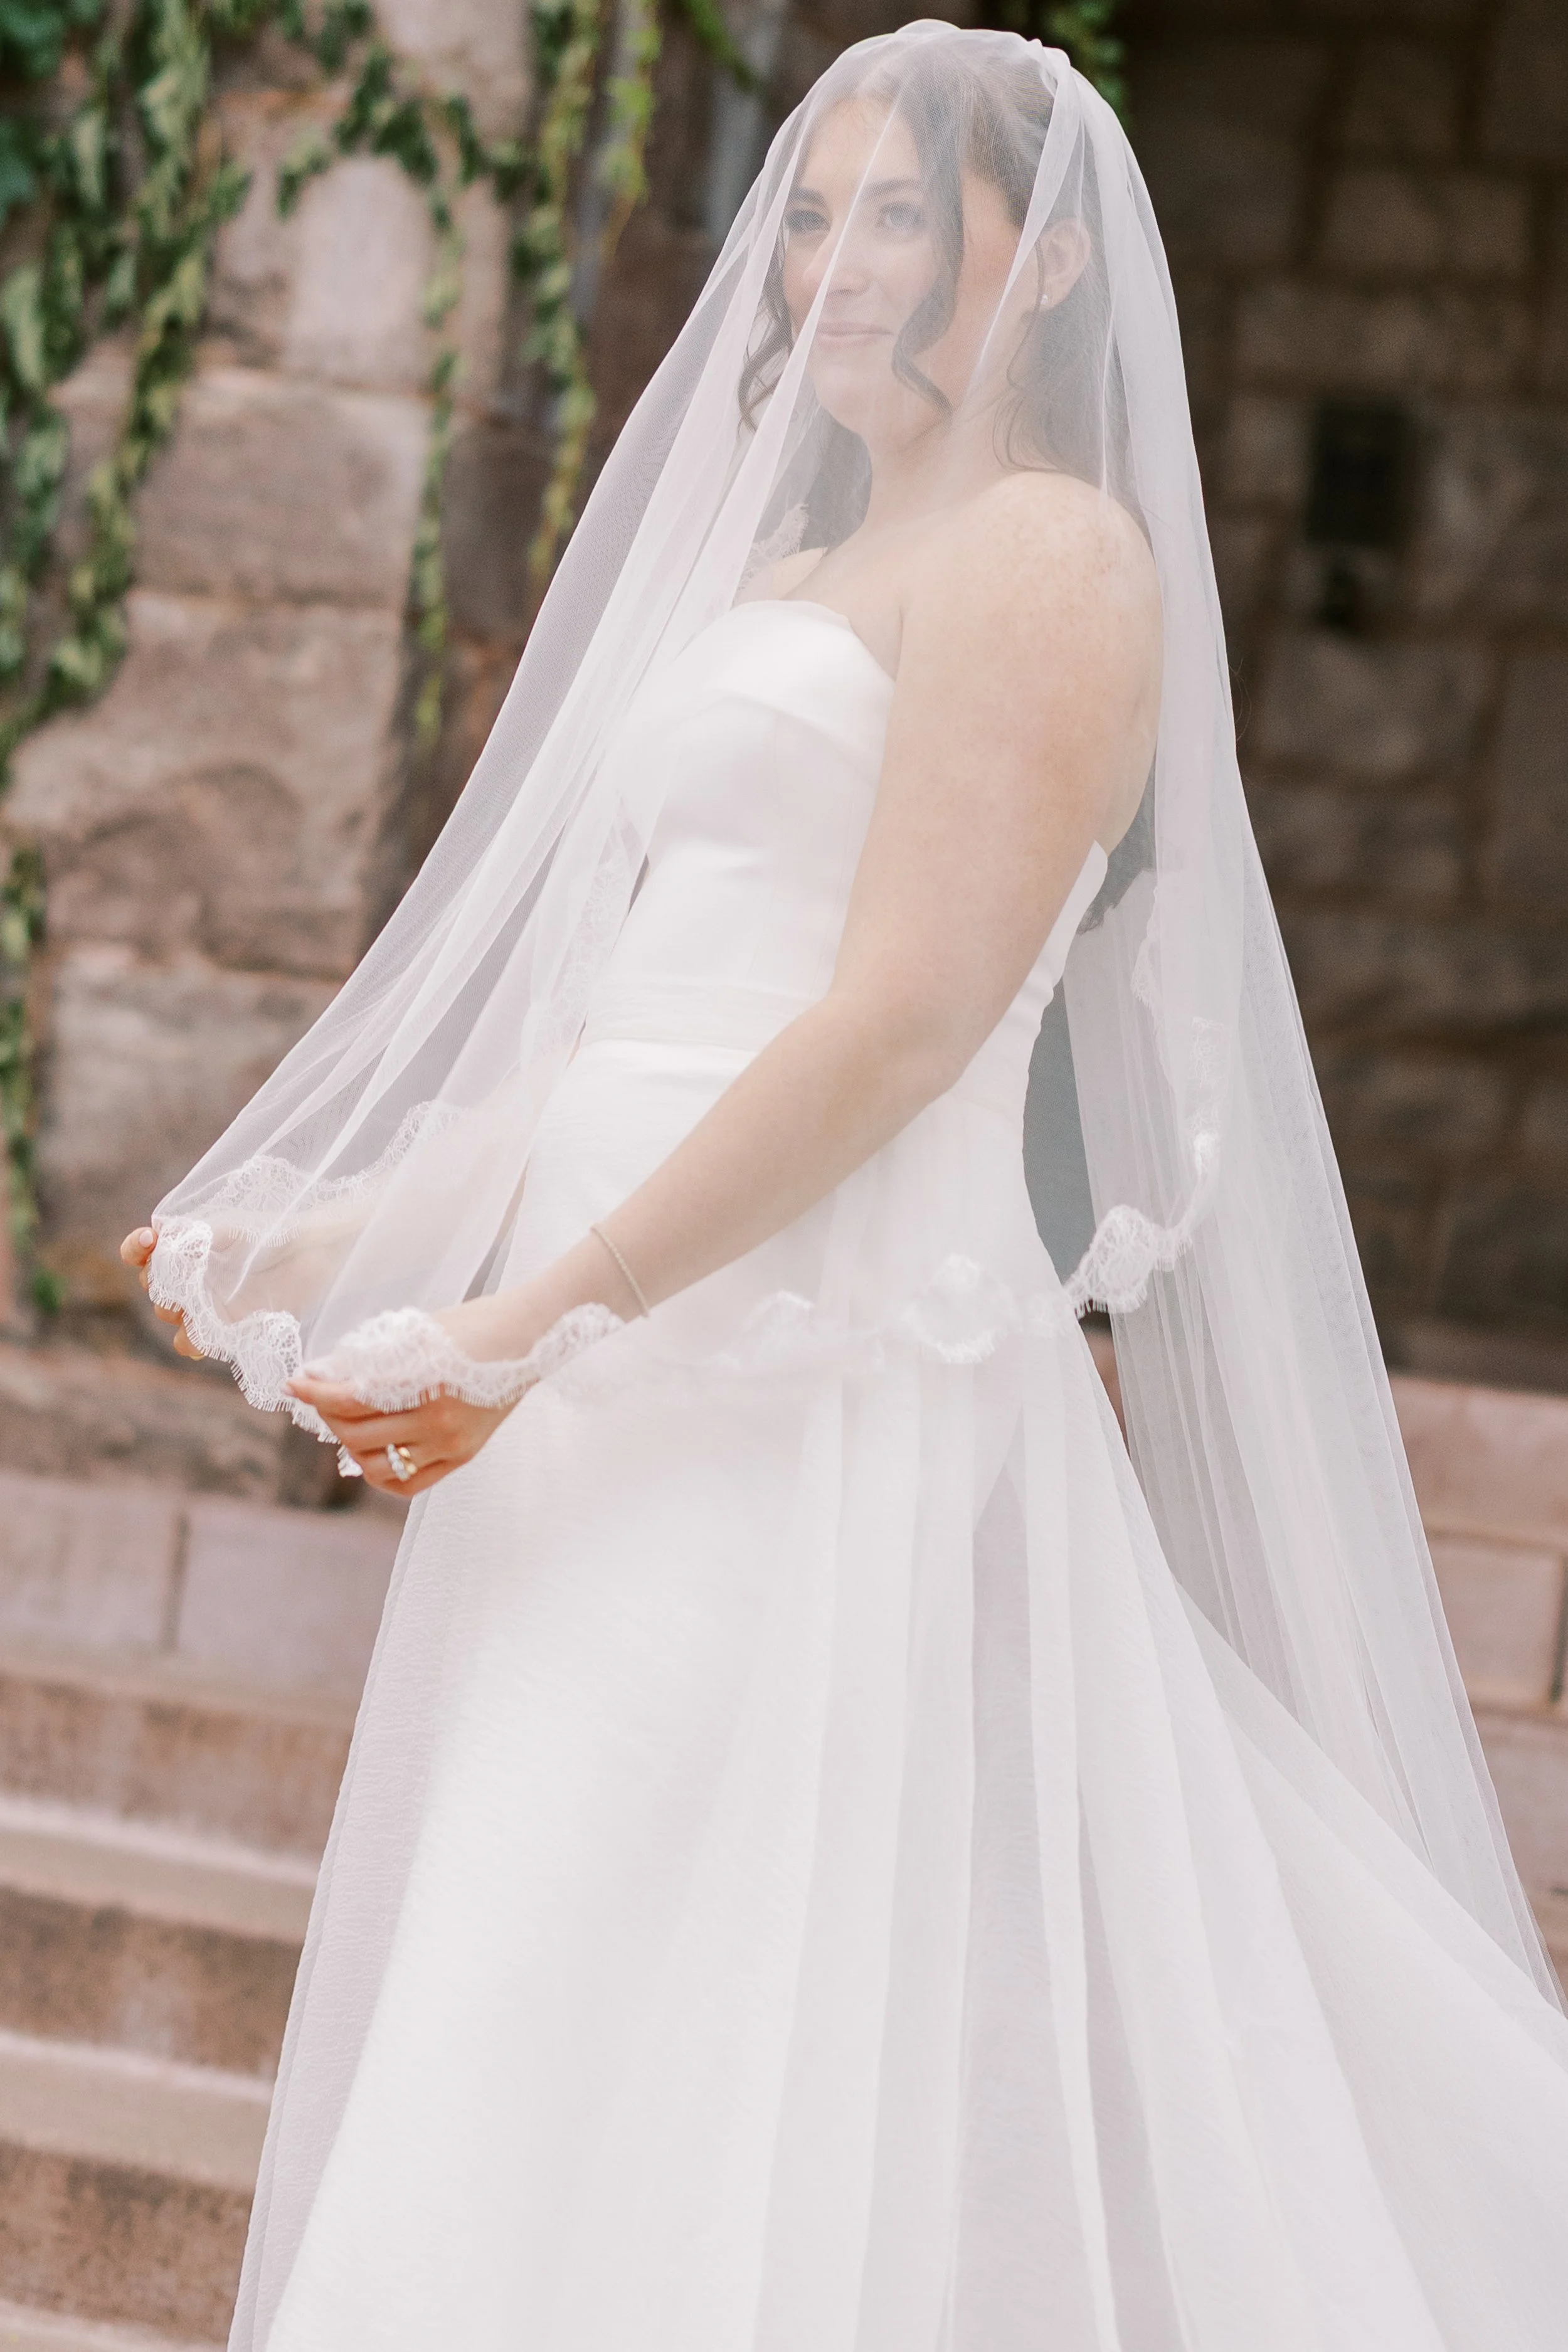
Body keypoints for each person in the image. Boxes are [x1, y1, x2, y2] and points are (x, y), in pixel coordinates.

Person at [121, 25, 1568, 2349]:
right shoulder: (799, 553)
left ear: (1046, 256)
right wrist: (332, 1239)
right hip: (601, 1383)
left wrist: (536, 1314)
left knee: (633, 1928)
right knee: (540, 1932)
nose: (832, 266)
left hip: (808, 1367)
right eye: (810, 216)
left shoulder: (1048, 556)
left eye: (899, 215)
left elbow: (900, 1021)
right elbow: (636, 1018)